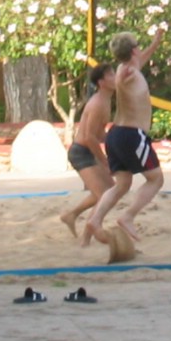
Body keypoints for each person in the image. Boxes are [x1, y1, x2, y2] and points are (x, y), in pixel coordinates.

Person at [82, 25, 166, 246]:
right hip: (132, 135)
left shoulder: (126, 67)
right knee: (156, 179)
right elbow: (132, 68)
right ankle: (128, 216)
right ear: (134, 50)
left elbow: (142, 58)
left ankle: (95, 220)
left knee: (122, 184)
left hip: (116, 135)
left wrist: (156, 41)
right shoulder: (128, 73)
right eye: (138, 47)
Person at [58, 63, 115, 237]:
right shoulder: (97, 103)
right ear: (101, 82)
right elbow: (90, 137)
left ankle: (72, 215)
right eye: (111, 75)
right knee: (104, 195)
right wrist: (105, 162)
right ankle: (87, 236)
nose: (116, 78)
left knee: (109, 191)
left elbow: (98, 133)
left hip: (88, 150)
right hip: (81, 152)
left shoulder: (106, 100)